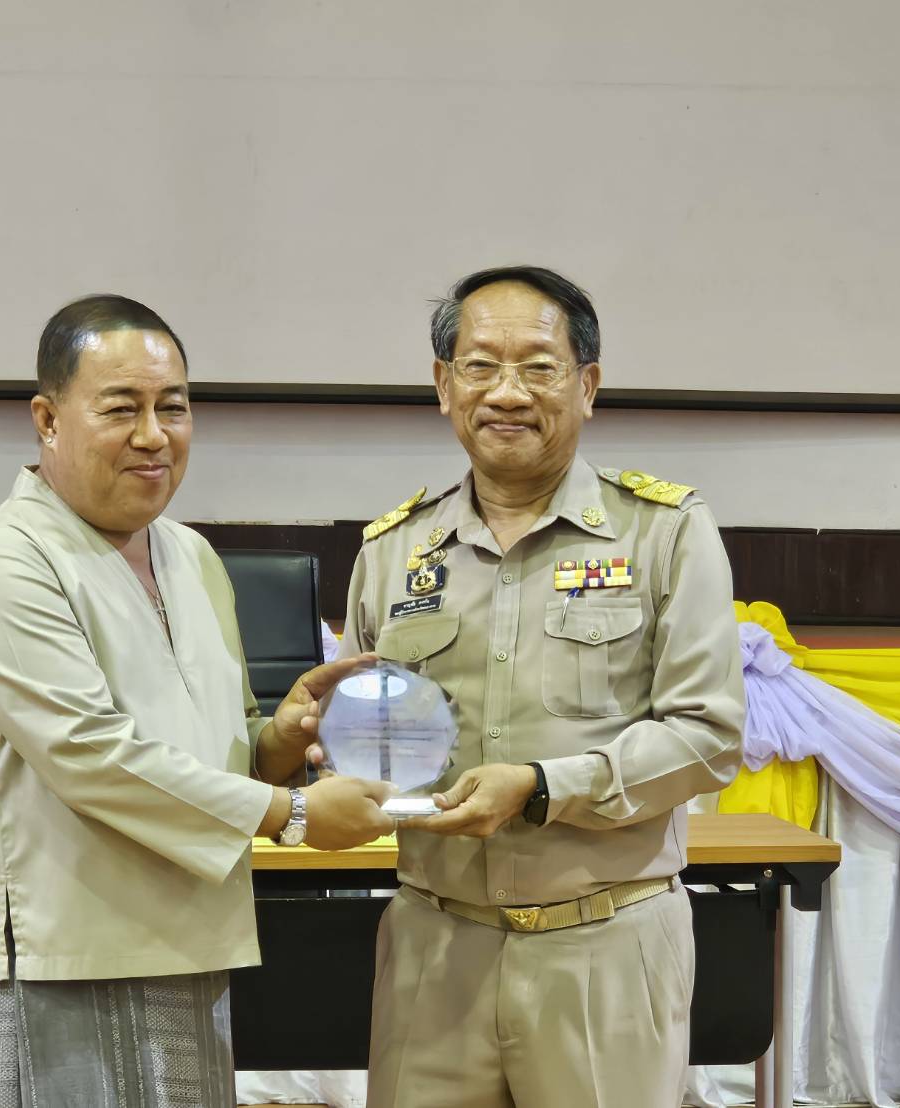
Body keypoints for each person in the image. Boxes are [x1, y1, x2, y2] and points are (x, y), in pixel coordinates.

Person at [0, 294, 393, 1108]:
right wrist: (298, 815)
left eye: (171, 407)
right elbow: (92, 756)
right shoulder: (4, 563)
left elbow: (210, 743)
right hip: (50, 958)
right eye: (121, 408)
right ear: (47, 418)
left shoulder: (189, 552)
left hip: (186, 943)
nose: (153, 435)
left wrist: (278, 738)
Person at [337, 266, 746, 1106]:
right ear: (443, 386)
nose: (506, 392)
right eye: (479, 365)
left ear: (586, 385)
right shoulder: (391, 551)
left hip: (603, 944)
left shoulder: (662, 532)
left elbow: (707, 735)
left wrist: (541, 789)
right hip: (433, 947)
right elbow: (365, 739)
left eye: (537, 365)